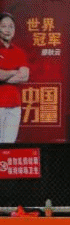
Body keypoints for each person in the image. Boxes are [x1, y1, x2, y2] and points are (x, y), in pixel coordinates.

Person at [0, 12, 30, 144]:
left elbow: (24, 76)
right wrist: (14, 71)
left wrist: (4, 76)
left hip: (14, 106)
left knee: (9, 145)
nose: (8, 30)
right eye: (4, 26)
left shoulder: (19, 52)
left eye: (11, 26)